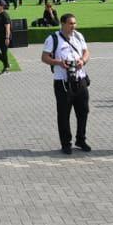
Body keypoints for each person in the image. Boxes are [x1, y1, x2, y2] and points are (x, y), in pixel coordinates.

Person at [41, 12, 90, 154]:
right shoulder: (53, 38)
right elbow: (44, 57)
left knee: (83, 111)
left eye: (74, 23)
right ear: (62, 24)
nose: (73, 26)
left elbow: (86, 52)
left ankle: (81, 139)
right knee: (63, 114)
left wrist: (82, 61)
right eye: (70, 23)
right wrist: (59, 63)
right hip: (62, 81)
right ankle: (66, 143)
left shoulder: (79, 36)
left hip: (80, 79)